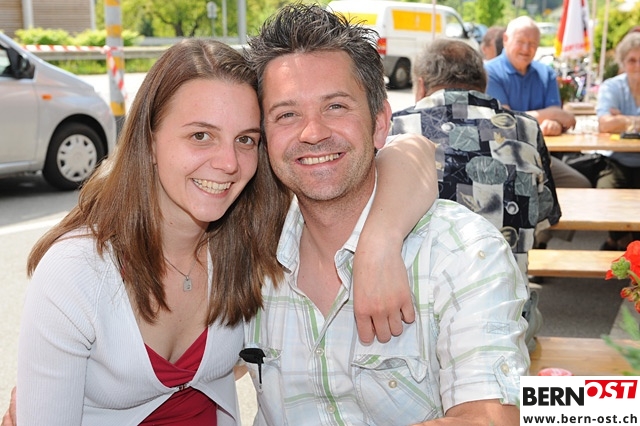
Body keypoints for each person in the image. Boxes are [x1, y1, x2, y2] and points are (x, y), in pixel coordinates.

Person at [11, 38, 438, 424]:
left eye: (246, 139)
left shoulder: (254, 236)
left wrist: (379, 242)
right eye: (201, 135)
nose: (229, 163)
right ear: (149, 139)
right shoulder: (78, 271)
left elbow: (414, 151)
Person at [241, 4, 529, 425]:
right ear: (264, 138)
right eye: (287, 114)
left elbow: (489, 419)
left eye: (336, 107)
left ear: (380, 124)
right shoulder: (243, 252)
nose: (313, 132)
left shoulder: (462, 254)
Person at [390, 38, 562, 351]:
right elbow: (540, 218)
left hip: (412, 329)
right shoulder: (526, 129)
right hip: (505, 326)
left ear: (421, 85)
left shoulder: (394, 129)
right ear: (483, 85)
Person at [484, 16, 590, 249]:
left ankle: (542, 240)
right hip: (503, 157)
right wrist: (547, 115)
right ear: (506, 39)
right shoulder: (489, 72)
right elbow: (505, 121)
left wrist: (552, 121)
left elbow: (560, 119)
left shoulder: (545, 73)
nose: (526, 48)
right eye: (521, 42)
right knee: (526, 191)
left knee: (580, 184)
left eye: (532, 44)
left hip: (539, 157)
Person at [596, 32, 640, 250]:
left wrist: (622, 119)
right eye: (632, 60)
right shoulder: (612, 87)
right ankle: (617, 239)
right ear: (623, 62)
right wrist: (635, 121)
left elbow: (613, 122)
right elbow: (605, 124)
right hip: (617, 161)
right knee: (605, 191)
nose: (638, 65)